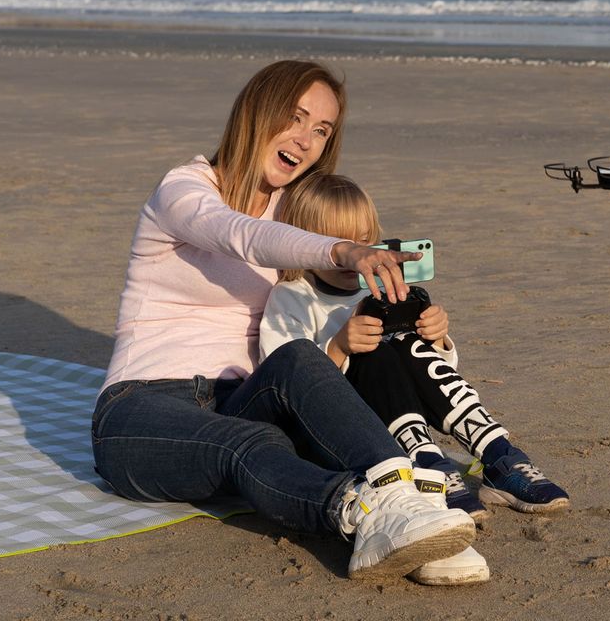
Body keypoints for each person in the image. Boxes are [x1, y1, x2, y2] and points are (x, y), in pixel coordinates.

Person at [90, 60, 477, 585]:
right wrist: (340, 249)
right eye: (295, 118)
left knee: (298, 358)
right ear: (257, 112)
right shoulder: (183, 192)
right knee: (249, 446)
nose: (306, 139)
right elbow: (238, 233)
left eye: (321, 130)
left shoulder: (294, 212)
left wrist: (420, 324)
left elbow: (329, 313)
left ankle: (408, 503)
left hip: (246, 395)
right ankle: (361, 515)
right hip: (141, 408)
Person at [258, 173, 571, 523]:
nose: (356, 254)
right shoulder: (292, 297)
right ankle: (427, 466)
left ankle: (499, 456)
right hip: (337, 432)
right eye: (340, 243)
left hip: (399, 415)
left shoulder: (378, 288)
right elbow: (284, 381)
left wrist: (436, 337)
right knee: (374, 349)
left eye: (364, 241)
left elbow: (432, 371)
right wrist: (340, 347)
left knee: (404, 339)